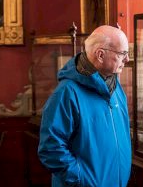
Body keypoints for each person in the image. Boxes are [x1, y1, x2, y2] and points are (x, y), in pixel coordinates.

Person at [38, 25, 132, 187]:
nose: (127, 59)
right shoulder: (66, 93)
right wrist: (81, 180)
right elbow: (50, 149)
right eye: (122, 54)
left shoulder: (116, 89)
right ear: (100, 55)